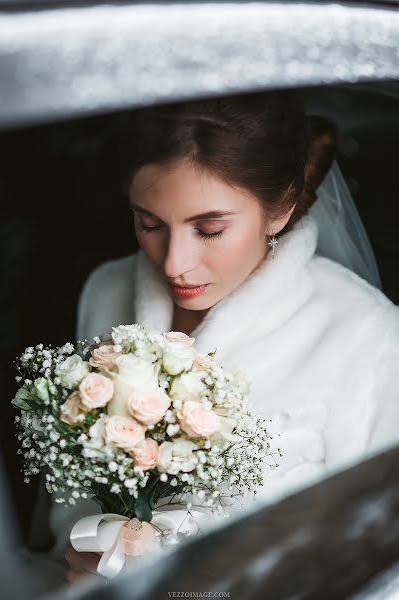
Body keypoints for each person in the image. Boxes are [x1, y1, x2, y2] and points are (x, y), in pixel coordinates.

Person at [56, 91, 399, 582]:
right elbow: (66, 504)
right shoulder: (106, 291)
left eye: (210, 230)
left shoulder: (369, 338)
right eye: (148, 224)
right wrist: (84, 555)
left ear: (280, 209)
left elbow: (385, 574)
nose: (175, 263)